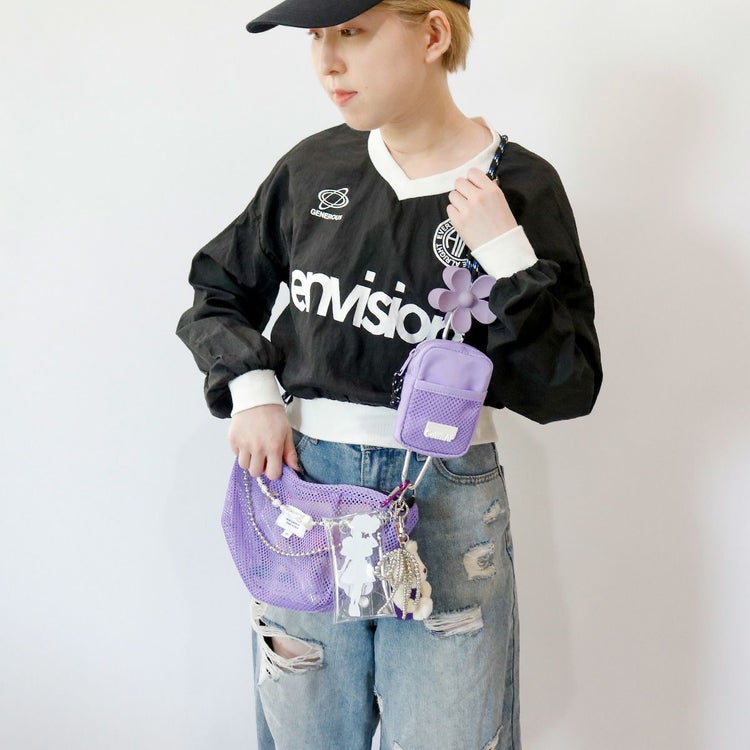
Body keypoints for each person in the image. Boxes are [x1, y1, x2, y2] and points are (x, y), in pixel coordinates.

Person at [176, 0, 602, 747]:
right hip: (305, 487)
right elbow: (219, 290)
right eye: (317, 37)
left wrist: (507, 255)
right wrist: (252, 391)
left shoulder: (521, 186)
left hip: (445, 496)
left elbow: (567, 386)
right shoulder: (313, 169)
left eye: (352, 32)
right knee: (308, 730)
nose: (327, 62)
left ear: (433, 33)